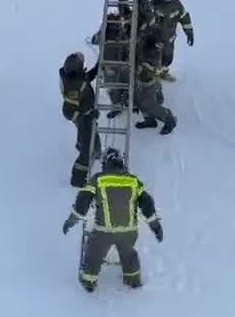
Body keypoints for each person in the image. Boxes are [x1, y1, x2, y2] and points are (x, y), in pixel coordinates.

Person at [62, 147, 162, 292]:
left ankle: (88, 282)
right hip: (128, 232)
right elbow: (147, 203)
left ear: (106, 163)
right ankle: (133, 280)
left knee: (94, 254)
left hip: (104, 232)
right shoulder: (134, 181)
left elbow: (83, 201)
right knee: (129, 256)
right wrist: (156, 227)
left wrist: (71, 221)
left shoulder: (98, 179)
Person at [60, 51, 100, 187]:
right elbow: (67, 112)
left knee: (90, 135)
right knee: (87, 150)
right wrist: (86, 116)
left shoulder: (77, 80)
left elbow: (86, 79)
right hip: (83, 117)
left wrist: (97, 67)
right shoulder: (74, 88)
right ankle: (77, 178)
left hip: (85, 114)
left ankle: (90, 147)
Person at [134, 31, 177, 134]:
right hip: (143, 80)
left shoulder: (152, 53)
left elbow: (151, 68)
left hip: (148, 82)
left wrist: (140, 65)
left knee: (149, 104)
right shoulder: (146, 45)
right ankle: (150, 120)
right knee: (139, 101)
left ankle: (169, 118)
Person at [150, 0, 194, 80]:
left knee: (168, 56)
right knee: (153, 56)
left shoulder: (177, 6)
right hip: (155, 37)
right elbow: (146, 16)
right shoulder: (154, 4)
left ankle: (164, 72)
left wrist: (189, 33)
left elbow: (185, 18)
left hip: (169, 38)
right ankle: (152, 75)